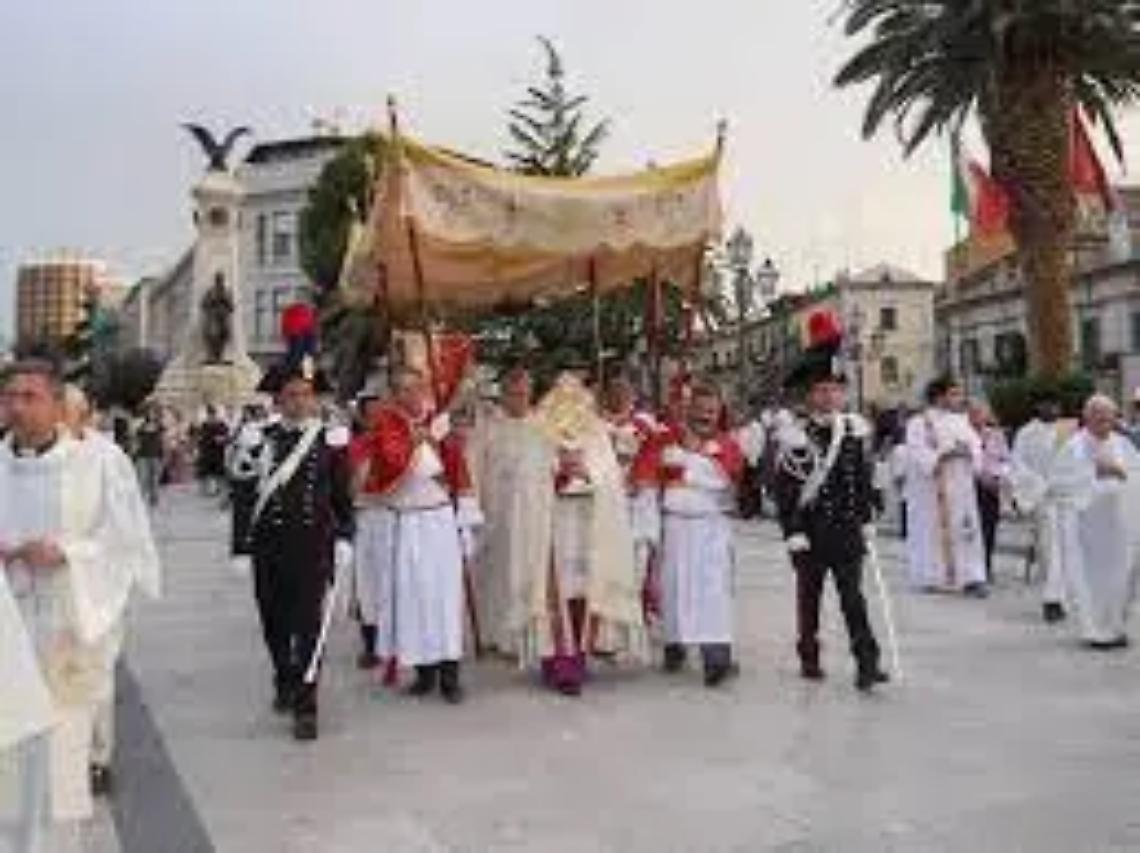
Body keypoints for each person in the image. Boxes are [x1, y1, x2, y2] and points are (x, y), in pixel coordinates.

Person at [0, 360, 159, 849]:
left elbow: (126, 543)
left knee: (59, 756)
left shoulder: (99, 464)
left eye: (31, 397)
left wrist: (67, 552)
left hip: (65, 626)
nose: (17, 407)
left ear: (56, 404)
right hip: (7, 631)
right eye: (10, 397)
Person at [232, 349, 354, 741]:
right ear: (279, 399)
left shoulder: (330, 442)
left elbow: (341, 496)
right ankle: (284, 674)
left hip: (312, 544)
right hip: (270, 545)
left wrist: (346, 535)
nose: (298, 401)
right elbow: (245, 495)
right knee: (274, 623)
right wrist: (240, 547)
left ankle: (306, 701)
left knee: (308, 625)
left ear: (313, 398)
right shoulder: (259, 438)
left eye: (305, 393)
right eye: (291, 394)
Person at [770, 312, 888, 691]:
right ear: (809, 396)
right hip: (812, 531)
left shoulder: (853, 430)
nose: (829, 397)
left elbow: (861, 477)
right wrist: (793, 532)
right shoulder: (796, 437)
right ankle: (809, 654)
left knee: (854, 599)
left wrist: (868, 512)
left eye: (835, 390)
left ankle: (867, 662)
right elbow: (786, 490)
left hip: (847, 529)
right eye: (821, 391)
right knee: (810, 600)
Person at [357, 366, 481, 703]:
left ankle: (450, 675)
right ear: (394, 395)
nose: (411, 396)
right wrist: (419, 440)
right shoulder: (388, 424)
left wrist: (465, 521)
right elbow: (388, 460)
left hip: (439, 522)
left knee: (443, 597)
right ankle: (425, 673)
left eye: (415, 388)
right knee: (413, 598)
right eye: (403, 390)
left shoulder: (439, 423)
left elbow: (458, 470)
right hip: (407, 524)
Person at [631, 378, 743, 687]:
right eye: (700, 409)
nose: (706, 416)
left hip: (711, 528)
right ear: (688, 409)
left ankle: (716, 656)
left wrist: (697, 467)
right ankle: (674, 645)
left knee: (713, 593)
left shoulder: (727, 445)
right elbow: (643, 479)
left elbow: (733, 484)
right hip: (676, 527)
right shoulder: (664, 440)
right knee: (674, 589)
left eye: (711, 410)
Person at [469, 366, 552, 657]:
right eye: (513, 394)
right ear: (503, 394)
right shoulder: (488, 427)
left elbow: (553, 468)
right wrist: (473, 508)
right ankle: (494, 634)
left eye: (524, 394)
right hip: (496, 514)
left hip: (534, 514)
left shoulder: (544, 426)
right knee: (497, 573)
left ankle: (525, 636)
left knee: (529, 571)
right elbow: (473, 469)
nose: (519, 399)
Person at [1051, 394, 1140, 649]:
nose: (1103, 420)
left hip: (1120, 524)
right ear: (1086, 417)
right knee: (1092, 580)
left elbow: (1135, 475)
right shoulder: (1073, 446)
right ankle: (1096, 631)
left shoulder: (1123, 444)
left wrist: (1121, 473)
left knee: (1121, 577)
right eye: (1097, 414)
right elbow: (1059, 483)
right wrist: (1094, 472)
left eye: (1108, 415)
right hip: (1087, 527)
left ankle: (1116, 627)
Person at [904, 376, 988, 596]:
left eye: (959, 394)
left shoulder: (961, 421)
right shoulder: (919, 423)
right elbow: (917, 453)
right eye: (954, 394)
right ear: (939, 397)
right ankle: (932, 576)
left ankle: (971, 577)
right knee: (932, 532)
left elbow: (977, 446)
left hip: (961, 487)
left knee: (966, 531)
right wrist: (942, 455)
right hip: (933, 491)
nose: (959, 398)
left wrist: (971, 453)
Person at [1009, 388, 1079, 622]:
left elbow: (1078, 460)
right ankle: (1051, 600)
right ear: (1038, 406)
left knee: (1068, 550)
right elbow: (1018, 465)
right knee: (1051, 551)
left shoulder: (1068, 430)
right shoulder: (1026, 433)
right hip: (1044, 500)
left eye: (1057, 405)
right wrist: (1039, 486)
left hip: (1068, 499)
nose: (1053, 409)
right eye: (1048, 404)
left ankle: (1065, 598)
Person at [969, 400, 1010, 582]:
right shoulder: (963, 436)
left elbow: (1006, 461)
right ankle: (973, 569)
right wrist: (979, 477)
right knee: (971, 530)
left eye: (981, 413)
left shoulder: (996, 436)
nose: (978, 417)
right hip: (970, 488)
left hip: (991, 488)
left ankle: (986, 566)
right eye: (974, 413)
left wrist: (997, 476)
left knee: (989, 528)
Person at [134, 403, 166, 507]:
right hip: (143, 455)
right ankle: (142, 498)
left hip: (156, 454)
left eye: (153, 412)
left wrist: (164, 453)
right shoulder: (141, 426)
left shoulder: (160, 426)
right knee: (143, 478)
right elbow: (136, 440)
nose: (151, 415)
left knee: (155, 478)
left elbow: (164, 440)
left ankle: (154, 498)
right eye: (149, 412)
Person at [196, 405, 230, 496]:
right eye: (209, 414)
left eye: (212, 414)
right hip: (208, 451)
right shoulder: (205, 425)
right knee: (207, 472)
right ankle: (208, 490)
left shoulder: (220, 424)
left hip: (216, 451)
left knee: (217, 472)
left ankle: (218, 489)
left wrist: (222, 439)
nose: (211, 416)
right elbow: (201, 438)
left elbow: (226, 436)